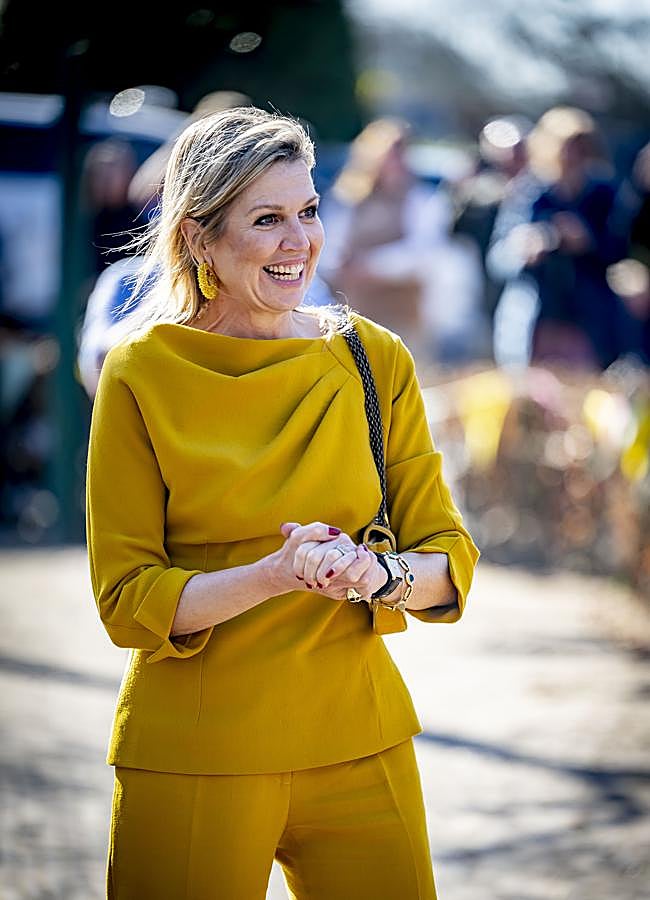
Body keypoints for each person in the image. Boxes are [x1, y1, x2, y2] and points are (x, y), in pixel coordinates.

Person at [85, 106, 479, 899]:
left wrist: (377, 576)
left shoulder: (373, 359)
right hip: (194, 754)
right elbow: (126, 601)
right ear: (199, 237)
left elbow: (449, 560)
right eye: (267, 219)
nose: (299, 241)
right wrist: (274, 575)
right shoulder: (139, 373)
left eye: (307, 211)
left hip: (361, 743)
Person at [317, 117, 452, 361]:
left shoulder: (422, 198)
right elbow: (328, 247)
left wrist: (371, 265)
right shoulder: (347, 197)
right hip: (354, 309)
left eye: (401, 152)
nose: (395, 161)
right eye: (389, 153)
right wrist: (338, 267)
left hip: (404, 313)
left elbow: (425, 253)